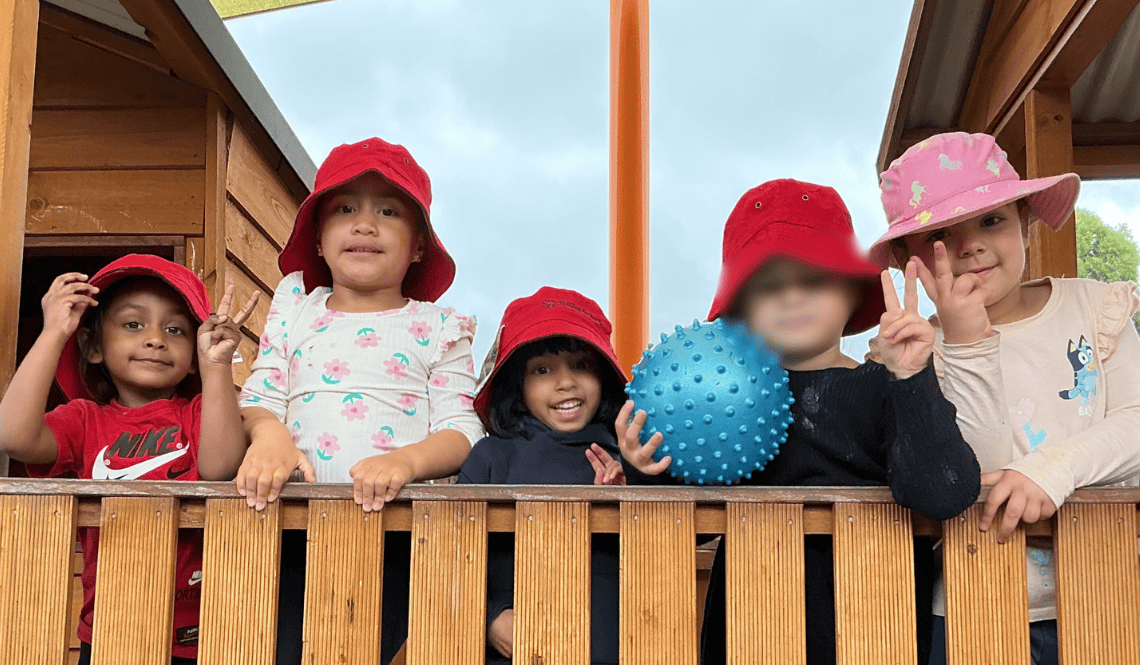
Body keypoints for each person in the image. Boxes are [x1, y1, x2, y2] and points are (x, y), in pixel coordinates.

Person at [619, 179, 981, 665]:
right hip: (749, 632)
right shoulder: (712, 403)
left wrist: (913, 377)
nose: (792, 296)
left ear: (854, 291)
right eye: (768, 286)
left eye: (812, 279)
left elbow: (944, 494)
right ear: (740, 310)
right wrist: (646, 467)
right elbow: (690, 530)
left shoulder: (889, 384)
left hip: (876, 629)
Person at [869, 131, 1140, 665]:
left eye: (991, 220)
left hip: (1111, 594)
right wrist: (967, 344)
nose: (970, 245)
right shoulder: (915, 355)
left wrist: (1050, 470)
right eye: (942, 234)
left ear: (1026, 222)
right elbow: (971, 478)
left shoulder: (1094, 308)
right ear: (908, 260)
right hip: (976, 603)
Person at [234, 137, 483, 665]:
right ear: (319, 241)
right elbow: (261, 393)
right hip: (291, 529)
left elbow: (464, 431)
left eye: (388, 212)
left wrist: (405, 461)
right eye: (344, 209)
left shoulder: (439, 326)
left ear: (418, 245)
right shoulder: (297, 308)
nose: (364, 224)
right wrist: (271, 437)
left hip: (403, 536)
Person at [0, 254, 256, 663]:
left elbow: (221, 467)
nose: (156, 338)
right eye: (133, 324)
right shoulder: (84, 420)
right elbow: (13, 436)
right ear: (94, 347)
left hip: (201, 631)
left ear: (191, 353)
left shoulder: (199, 413)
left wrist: (216, 366)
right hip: (109, 628)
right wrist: (54, 332)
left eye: (175, 329)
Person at [456, 287, 626, 664]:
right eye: (543, 370)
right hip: (510, 649)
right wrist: (489, 617)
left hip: (608, 646)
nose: (565, 382)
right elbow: (452, 553)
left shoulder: (624, 460)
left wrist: (631, 499)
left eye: (582, 365)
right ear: (518, 386)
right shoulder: (492, 457)